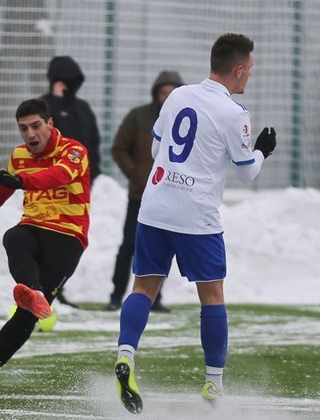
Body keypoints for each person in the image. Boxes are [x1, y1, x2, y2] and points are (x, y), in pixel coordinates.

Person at [113, 33, 276, 414]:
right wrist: (262, 152)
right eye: (249, 70)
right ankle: (213, 384)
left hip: (154, 207)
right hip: (196, 216)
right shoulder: (234, 113)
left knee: (143, 287)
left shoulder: (178, 96)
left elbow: (156, 150)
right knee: (213, 297)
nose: (249, 76)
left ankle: (126, 355)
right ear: (237, 70)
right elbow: (247, 173)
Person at [0, 98, 90, 392]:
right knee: (13, 236)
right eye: (23, 128)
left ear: (50, 124)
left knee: (25, 317)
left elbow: (57, 176)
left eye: (36, 126)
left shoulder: (74, 150)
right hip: (32, 227)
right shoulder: (19, 155)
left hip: (68, 236)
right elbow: (4, 186)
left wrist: (20, 181)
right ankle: (34, 292)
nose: (30, 134)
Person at [106, 71, 184, 313]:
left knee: (161, 249)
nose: (167, 96)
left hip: (169, 196)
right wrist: (136, 173)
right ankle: (116, 295)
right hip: (139, 196)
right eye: (163, 91)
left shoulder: (185, 119)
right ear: (156, 93)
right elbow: (119, 148)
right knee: (129, 245)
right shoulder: (138, 117)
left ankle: (155, 298)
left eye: (172, 92)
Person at [40, 55, 101, 308]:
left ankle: (55, 288)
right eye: (64, 80)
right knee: (46, 236)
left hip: (79, 189)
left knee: (69, 239)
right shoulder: (43, 106)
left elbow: (93, 144)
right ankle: (42, 291)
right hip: (50, 187)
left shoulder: (83, 108)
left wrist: (92, 175)